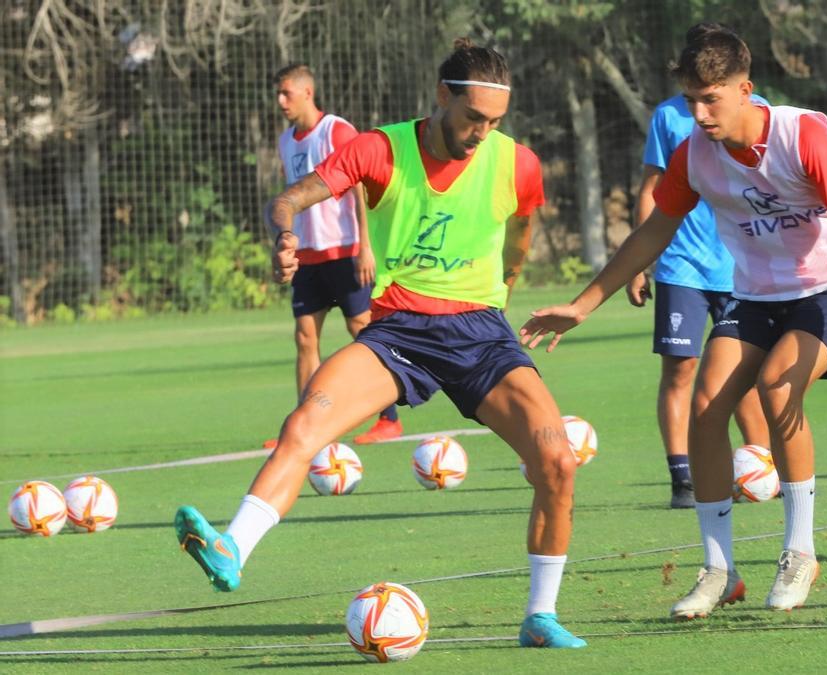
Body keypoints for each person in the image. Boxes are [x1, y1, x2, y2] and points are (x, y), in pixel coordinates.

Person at [176, 40, 586, 649]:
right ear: (443, 96)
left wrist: (504, 288)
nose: (482, 133)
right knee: (303, 427)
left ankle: (540, 616)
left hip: (481, 335)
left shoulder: (518, 163)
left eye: (495, 122)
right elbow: (288, 198)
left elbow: (521, 231)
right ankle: (232, 546)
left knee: (557, 462)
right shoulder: (378, 148)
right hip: (398, 332)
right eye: (473, 117)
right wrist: (285, 234)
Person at [520, 25, 827, 620]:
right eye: (690, 100)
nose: (699, 114)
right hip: (755, 293)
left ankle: (800, 552)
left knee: (778, 385)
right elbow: (653, 230)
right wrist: (582, 305)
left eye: (712, 99)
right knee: (705, 407)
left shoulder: (801, 135)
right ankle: (719, 570)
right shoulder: (694, 154)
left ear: (745, 89)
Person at [629, 27, 771, 510]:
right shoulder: (670, 116)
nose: (701, 110)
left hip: (741, 265)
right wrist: (638, 264)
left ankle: (762, 467)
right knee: (680, 371)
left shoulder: (756, 110)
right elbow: (651, 188)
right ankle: (682, 477)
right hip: (680, 264)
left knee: (744, 372)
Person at [268, 63, 403, 449]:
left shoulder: (336, 130)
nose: (280, 101)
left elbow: (363, 186)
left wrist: (365, 246)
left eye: (286, 93)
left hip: (345, 249)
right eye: (278, 94)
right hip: (309, 254)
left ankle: (389, 419)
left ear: (307, 93)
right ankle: (303, 426)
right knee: (305, 336)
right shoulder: (285, 140)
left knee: (363, 331)